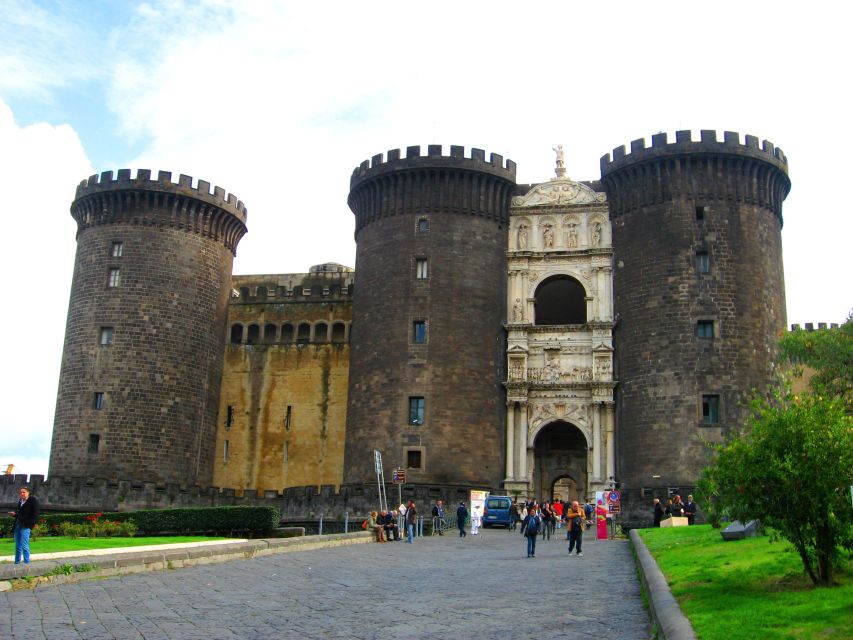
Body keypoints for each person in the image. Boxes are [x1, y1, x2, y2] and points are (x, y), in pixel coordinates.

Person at [9, 486, 39, 564]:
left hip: (25, 526)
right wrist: (15, 514)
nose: (22, 493)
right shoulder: (20, 501)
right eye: (21, 492)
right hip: (18, 525)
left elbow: (35, 514)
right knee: (18, 546)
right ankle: (17, 563)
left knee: (25, 546)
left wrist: (29, 525)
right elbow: (20, 513)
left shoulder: (32, 500)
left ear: (28, 492)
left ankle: (26, 563)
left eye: (24, 492)